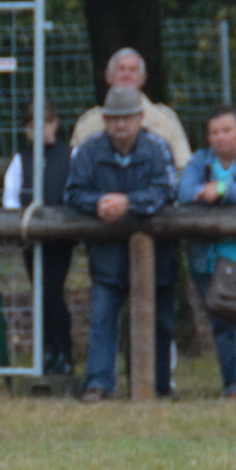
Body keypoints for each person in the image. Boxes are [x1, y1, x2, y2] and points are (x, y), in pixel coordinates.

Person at [64, 85, 176, 401]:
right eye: (113, 119)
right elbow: (73, 193)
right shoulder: (88, 150)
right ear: (105, 120)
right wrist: (98, 203)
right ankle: (99, 384)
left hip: (158, 258)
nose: (120, 125)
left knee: (160, 322)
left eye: (127, 118)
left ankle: (159, 385)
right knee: (102, 318)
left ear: (140, 119)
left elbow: (166, 191)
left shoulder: (158, 148)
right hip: (106, 256)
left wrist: (128, 203)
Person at [178, 106, 236, 399]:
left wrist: (224, 190)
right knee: (221, 324)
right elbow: (184, 192)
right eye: (214, 132)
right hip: (207, 259)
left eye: (227, 130)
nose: (221, 137)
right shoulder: (200, 160)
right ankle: (231, 386)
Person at [2, 98, 74, 374]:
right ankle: (49, 351)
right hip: (30, 239)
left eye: (46, 123)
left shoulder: (70, 154)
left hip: (61, 239)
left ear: (55, 124)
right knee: (41, 293)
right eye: (33, 125)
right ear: (26, 130)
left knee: (52, 292)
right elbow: (10, 197)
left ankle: (62, 350)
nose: (40, 130)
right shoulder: (21, 160)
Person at [71, 48, 191, 173]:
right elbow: (75, 172)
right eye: (121, 69)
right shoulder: (87, 123)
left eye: (133, 70)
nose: (126, 75)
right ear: (108, 76)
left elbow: (183, 169)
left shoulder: (166, 121)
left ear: (143, 78)